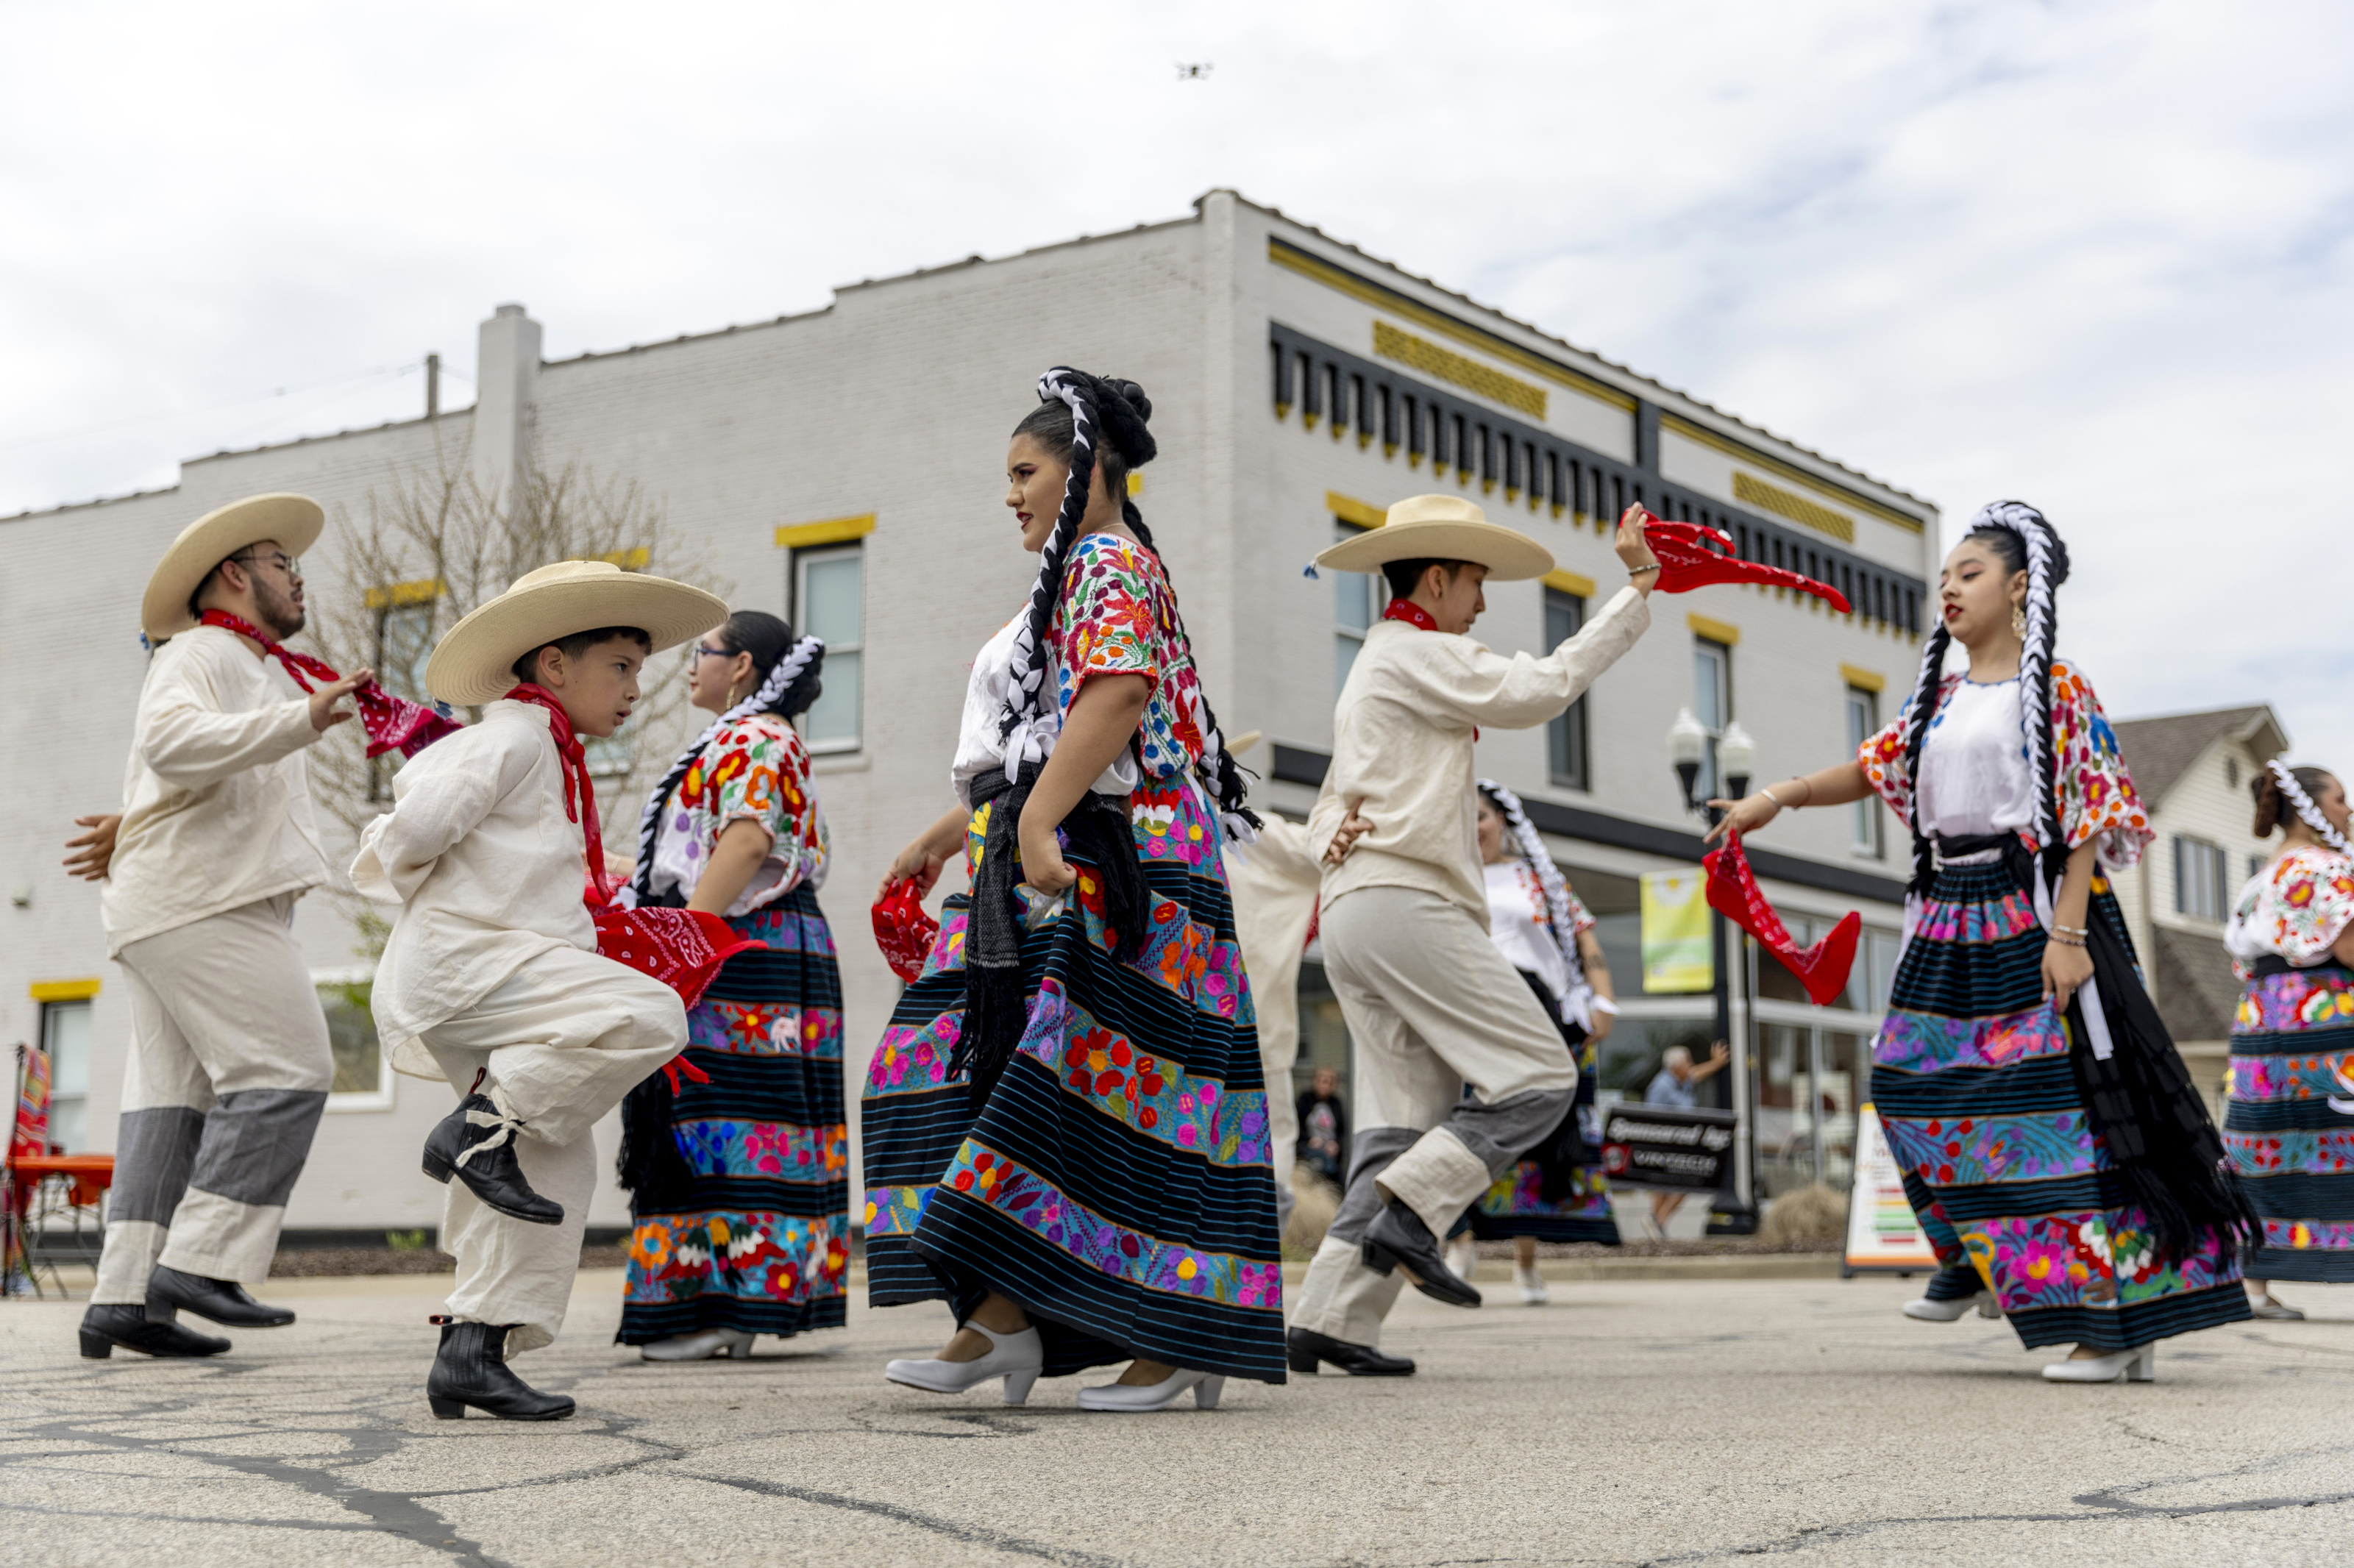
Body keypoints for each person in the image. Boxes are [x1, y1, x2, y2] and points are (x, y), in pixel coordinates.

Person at [1706, 502, 2251, 1384]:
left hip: (2031, 907)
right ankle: (1970, 1253)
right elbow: (1877, 763)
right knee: (1902, 1082)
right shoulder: (1939, 697)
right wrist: (1775, 796)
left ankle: (2108, 1327)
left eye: (1968, 573)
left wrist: (2067, 933)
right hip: (1945, 911)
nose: (1949, 589)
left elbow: (2089, 812)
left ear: (2019, 586)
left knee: (2053, 1114)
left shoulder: (2056, 689)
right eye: (1943, 577)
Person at [860, 369, 1284, 1412]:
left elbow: (1121, 694)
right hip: (1074, 843)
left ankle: (1160, 1329)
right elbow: (1038, 735)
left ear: (1086, 470)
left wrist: (1038, 820)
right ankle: (1010, 1320)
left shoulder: (1106, 560)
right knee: (1060, 1085)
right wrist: (955, 835)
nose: (1009, 495)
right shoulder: (1078, 573)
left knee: (1116, 1093)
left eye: (1024, 472)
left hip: (1123, 853)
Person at [1286, 496, 1657, 1378]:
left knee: (1395, 1124)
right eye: (1477, 586)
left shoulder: (1375, 663)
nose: (1482, 607)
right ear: (1440, 575)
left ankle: (1331, 1316)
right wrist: (1636, 589)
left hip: (1355, 909)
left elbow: (1330, 802)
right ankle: (1413, 1215)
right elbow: (1538, 689)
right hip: (1406, 899)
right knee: (1538, 1074)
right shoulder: (1418, 649)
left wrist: (1319, 843)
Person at [352, 560, 726, 1419]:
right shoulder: (513, 735)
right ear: (554, 664)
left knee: (556, 1155)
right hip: (471, 971)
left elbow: (522, 866)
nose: (636, 687)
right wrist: (415, 870)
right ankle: (482, 1126)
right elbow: (415, 818)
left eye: (639, 667)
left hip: (499, 975)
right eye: (621, 666)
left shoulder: (550, 753)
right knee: (648, 1010)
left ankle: (472, 1347)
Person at [78, 494, 372, 1361]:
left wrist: (131, 820)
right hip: (200, 903)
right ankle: (201, 1259)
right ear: (237, 574)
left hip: (169, 900)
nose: (298, 575)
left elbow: (179, 774)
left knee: (169, 1105)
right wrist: (305, 718)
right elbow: (174, 743)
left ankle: (125, 1298)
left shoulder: (248, 664)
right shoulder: (202, 651)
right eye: (282, 563)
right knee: (290, 1067)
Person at [613, 610, 846, 1361]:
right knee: (737, 1113)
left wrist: (683, 942)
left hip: (745, 950)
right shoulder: (750, 738)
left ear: (740, 665)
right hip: (756, 944)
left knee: (727, 1113)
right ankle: (736, 1299)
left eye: (702, 652)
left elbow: (746, 839)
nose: (690, 665)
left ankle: (721, 1303)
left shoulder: (753, 738)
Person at [1443, 781, 1624, 1306]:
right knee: (1459, 1126)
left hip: (1545, 1015)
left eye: (1481, 816)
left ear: (1501, 820)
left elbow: (1583, 933)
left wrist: (1603, 999)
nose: (1474, 827)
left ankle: (1525, 1263)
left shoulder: (1535, 879)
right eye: (1463, 817)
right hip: (1473, 1016)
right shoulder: (1444, 876)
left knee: (1540, 1135)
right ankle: (1459, 1239)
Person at [2222, 760, 2354, 1317]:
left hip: (2261, 1024)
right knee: (2341, 1136)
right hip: (2325, 1018)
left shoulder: (2260, 878)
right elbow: (2348, 949)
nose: (2348, 811)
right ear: (2311, 808)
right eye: (2341, 799)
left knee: (2266, 1146)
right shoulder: (2327, 867)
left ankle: (2253, 1284)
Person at [1223, 737, 1323, 1230]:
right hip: (1183, 1012)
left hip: (1249, 1014)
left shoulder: (1248, 833)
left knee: (1268, 1135)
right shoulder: (1142, 820)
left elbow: (1325, 847)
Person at [1640, 1040, 1729, 1236]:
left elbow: (1695, 1074)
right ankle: (1657, 1222)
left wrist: (1716, 1064)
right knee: (1680, 1183)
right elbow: (1651, 1119)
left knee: (1671, 1185)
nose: (1690, 1066)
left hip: (1679, 1145)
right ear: (1676, 1066)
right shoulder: (1661, 1087)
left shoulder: (1680, 1081)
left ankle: (1656, 1226)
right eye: (1687, 1063)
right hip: (1665, 1145)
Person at [1298, 1067, 1349, 1191]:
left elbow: (1342, 1130)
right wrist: (1310, 1140)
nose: (1325, 1086)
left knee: (1338, 1185)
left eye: (1329, 1083)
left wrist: (1336, 1145)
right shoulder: (1305, 1099)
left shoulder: (1336, 1102)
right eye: (1322, 1081)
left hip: (1330, 1156)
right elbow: (1297, 1125)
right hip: (1308, 1153)